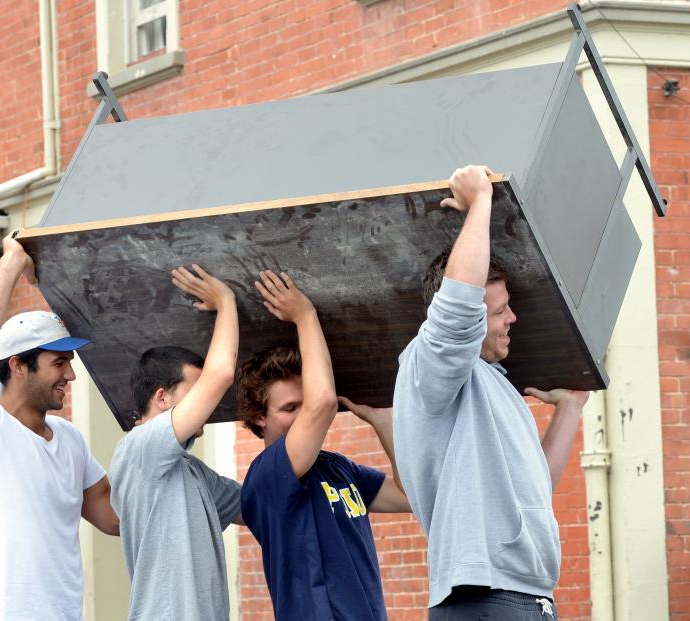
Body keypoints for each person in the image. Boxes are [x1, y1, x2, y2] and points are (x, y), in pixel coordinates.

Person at [393, 165, 589, 620]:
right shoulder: (431, 366)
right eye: (499, 311)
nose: (512, 319)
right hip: (484, 597)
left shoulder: (491, 387)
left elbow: (535, 486)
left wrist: (570, 408)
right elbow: (458, 306)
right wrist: (480, 202)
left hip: (523, 596)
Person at [0, 235, 119, 621]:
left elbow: (113, 517)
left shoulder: (70, 439)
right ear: (19, 365)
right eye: (59, 363)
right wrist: (13, 262)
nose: (70, 375)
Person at [237, 270, 410, 621]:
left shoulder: (339, 468)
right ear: (259, 416)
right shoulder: (268, 473)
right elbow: (323, 404)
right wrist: (304, 316)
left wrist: (383, 423)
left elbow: (410, 497)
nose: (303, 416)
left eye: (305, 402)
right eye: (289, 408)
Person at [109, 264, 242, 621]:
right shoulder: (140, 449)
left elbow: (259, 502)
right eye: (195, 389)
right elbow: (221, 374)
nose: (206, 402)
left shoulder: (191, 473)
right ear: (162, 398)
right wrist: (226, 301)